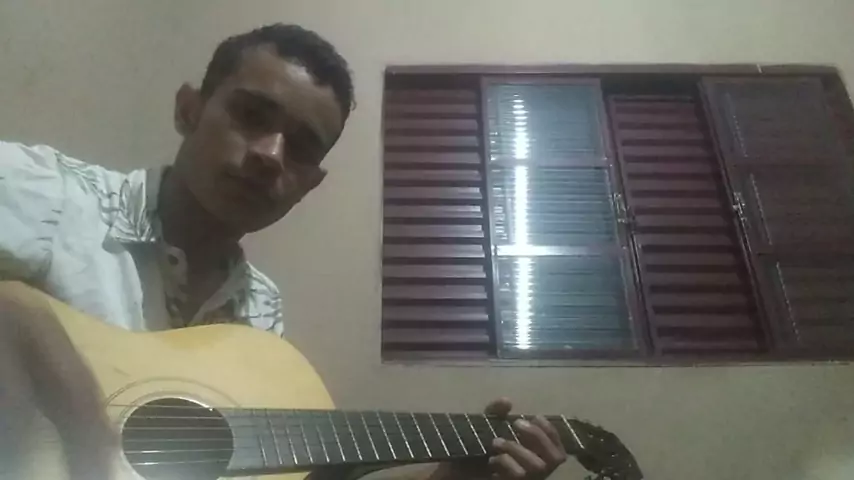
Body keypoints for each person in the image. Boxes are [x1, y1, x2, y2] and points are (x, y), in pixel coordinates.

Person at [0, 24, 567, 480]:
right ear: (189, 110)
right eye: (251, 117)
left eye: (300, 148)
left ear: (309, 184)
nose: (271, 155)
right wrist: (47, 356)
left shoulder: (259, 312)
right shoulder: (49, 193)